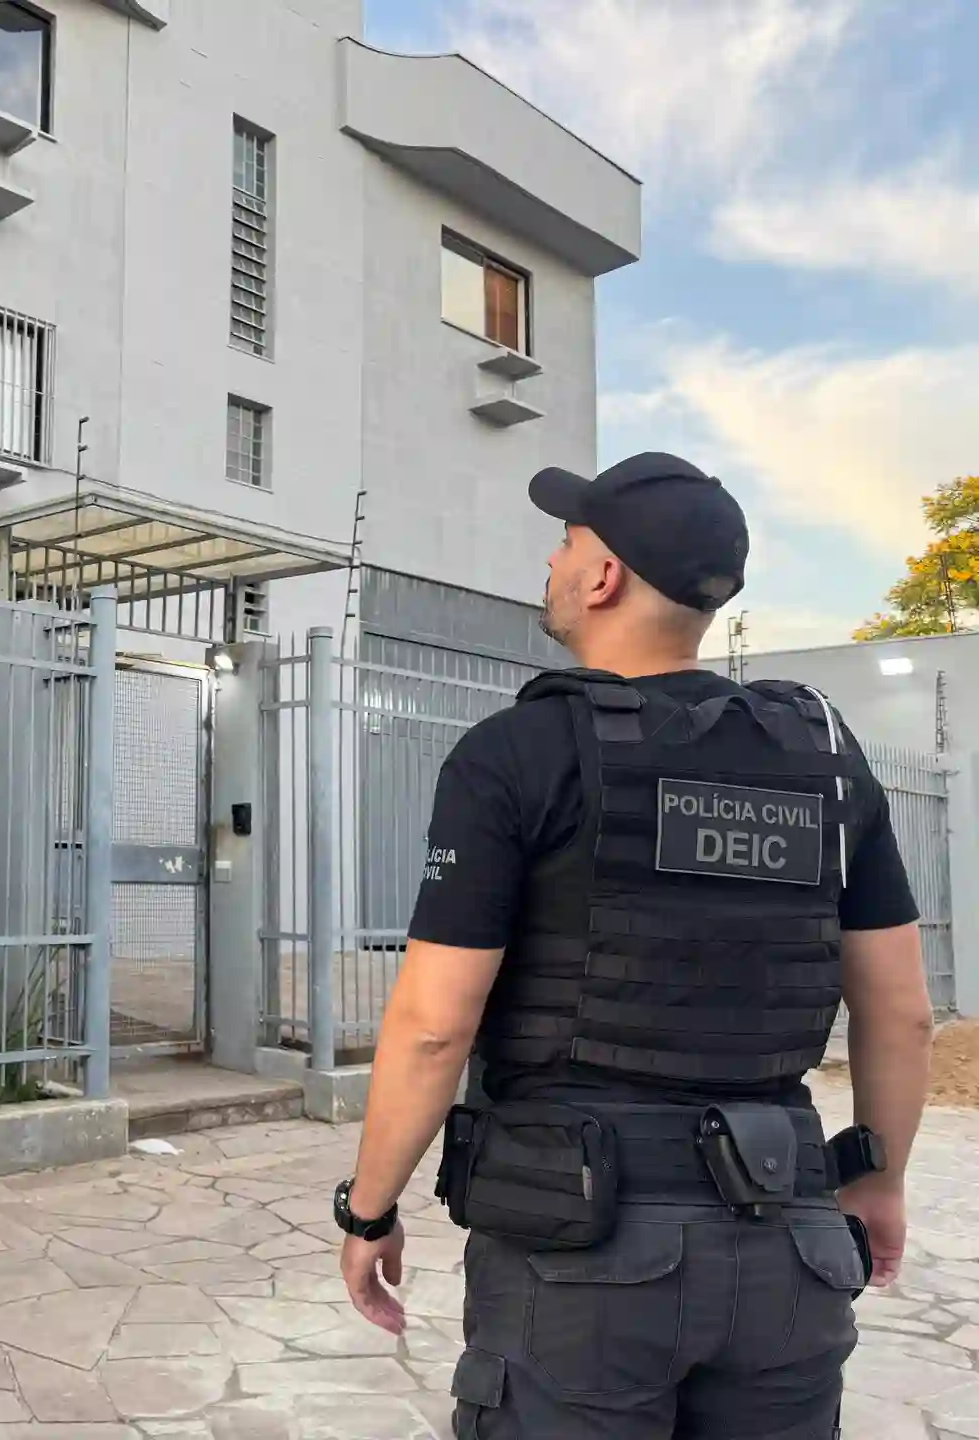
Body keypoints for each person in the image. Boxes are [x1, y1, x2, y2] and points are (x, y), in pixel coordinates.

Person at [331, 453, 934, 1438]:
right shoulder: (825, 757)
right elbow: (899, 1008)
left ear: (603, 577)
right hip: (790, 1240)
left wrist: (369, 1209)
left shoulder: (516, 753)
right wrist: (878, 1180)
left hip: (582, 1260)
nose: (555, 558)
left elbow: (435, 1026)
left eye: (568, 541)